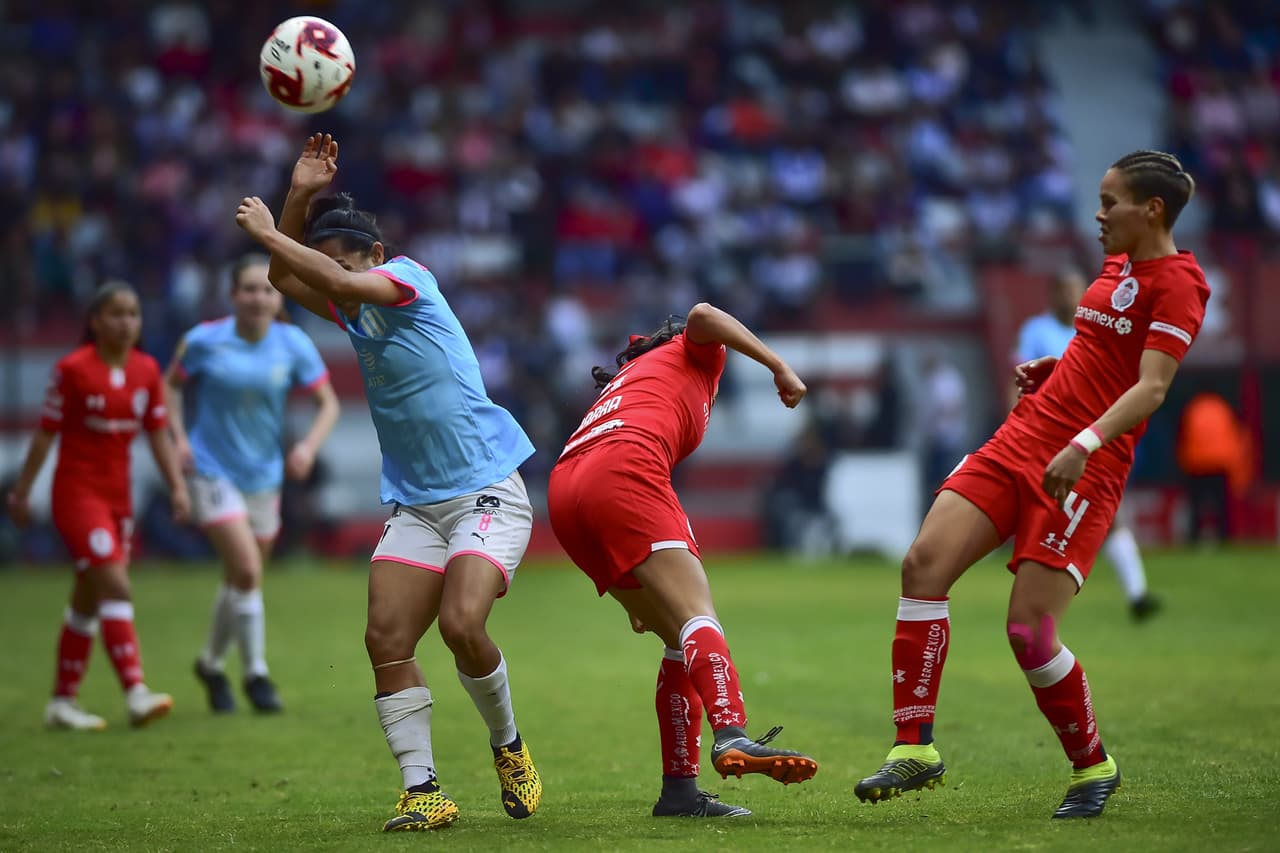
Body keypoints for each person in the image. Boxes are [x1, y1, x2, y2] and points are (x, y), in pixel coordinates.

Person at [854, 150, 1210, 819]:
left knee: (1029, 633)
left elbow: (1153, 386)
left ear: (1151, 210)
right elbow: (1102, 348)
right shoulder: (1116, 266)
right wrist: (1058, 366)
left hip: (1084, 465)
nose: (1098, 215)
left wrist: (1084, 440)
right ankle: (915, 748)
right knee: (923, 564)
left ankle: (1093, 764)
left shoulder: (1180, 284)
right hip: (1021, 437)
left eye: (1110, 203)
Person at [234, 133, 540, 832]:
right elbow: (288, 281)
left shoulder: (409, 277)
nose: (339, 272)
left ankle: (508, 744)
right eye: (333, 260)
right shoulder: (354, 303)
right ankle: (423, 789)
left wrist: (265, 231)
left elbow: (329, 279)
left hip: (486, 487)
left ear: (376, 257)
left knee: (464, 625)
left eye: (348, 260)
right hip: (417, 501)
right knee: (385, 638)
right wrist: (298, 194)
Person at [547, 303, 819, 819]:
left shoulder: (634, 376)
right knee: (698, 614)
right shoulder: (697, 355)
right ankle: (733, 732)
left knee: (678, 637)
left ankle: (679, 792)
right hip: (626, 469)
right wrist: (778, 365)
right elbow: (703, 313)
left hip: (568, 490)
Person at [6, 281, 191, 730]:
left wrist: (177, 487)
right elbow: (45, 434)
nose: (126, 322)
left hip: (117, 500)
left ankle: (61, 703)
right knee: (116, 585)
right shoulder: (72, 370)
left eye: (133, 314)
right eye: (116, 314)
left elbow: (157, 435)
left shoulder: (147, 370)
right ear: (95, 321)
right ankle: (135, 692)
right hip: (77, 495)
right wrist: (22, 491)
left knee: (87, 599)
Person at [165, 254, 340, 713]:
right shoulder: (204, 340)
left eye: (266, 290)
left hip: (265, 477)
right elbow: (171, 387)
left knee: (241, 578)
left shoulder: (292, 343)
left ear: (276, 296)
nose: (258, 298)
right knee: (246, 570)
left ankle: (209, 663)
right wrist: (179, 438)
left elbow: (328, 403)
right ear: (232, 295)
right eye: (248, 289)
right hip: (210, 469)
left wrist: (307, 447)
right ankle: (256, 674)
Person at [1014, 267, 1161, 621]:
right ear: (1052, 294)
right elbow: (1018, 377)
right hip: (1048, 435)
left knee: (1110, 515)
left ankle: (1136, 593)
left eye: (1076, 289)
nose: (1070, 296)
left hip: (1095, 440)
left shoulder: (1097, 328)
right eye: (1064, 289)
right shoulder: (1036, 331)